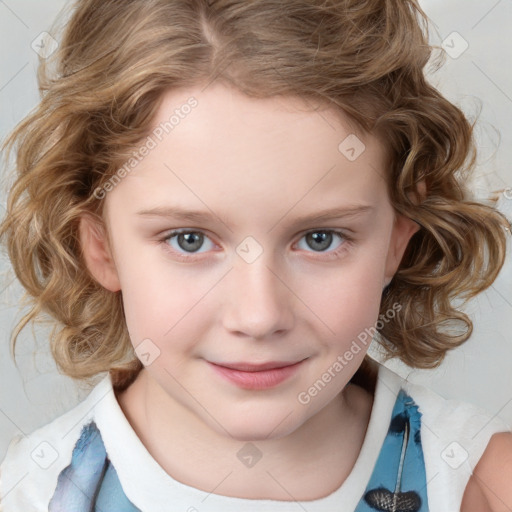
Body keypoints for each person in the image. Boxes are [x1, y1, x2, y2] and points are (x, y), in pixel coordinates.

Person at [0, 0, 511, 510]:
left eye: (319, 239)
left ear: (397, 239)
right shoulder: (25, 494)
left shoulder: (484, 487)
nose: (259, 316)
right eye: (189, 240)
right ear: (101, 248)